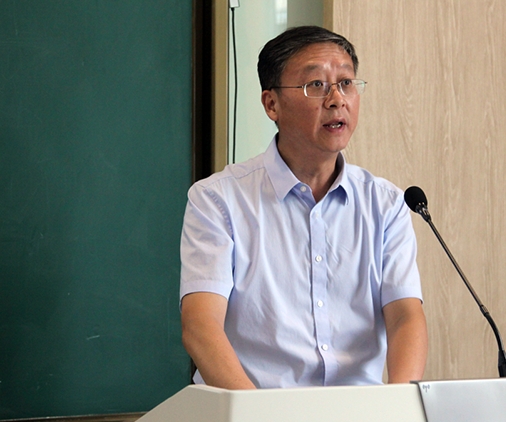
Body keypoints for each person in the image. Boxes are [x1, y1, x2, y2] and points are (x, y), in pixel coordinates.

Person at [179, 26, 427, 389]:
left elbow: (406, 316)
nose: (336, 99)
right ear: (272, 105)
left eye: (346, 83)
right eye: (316, 85)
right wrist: (258, 415)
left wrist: (398, 406)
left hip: (357, 415)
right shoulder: (218, 200)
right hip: (252, 412)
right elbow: (201, 326)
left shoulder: (386, 204)